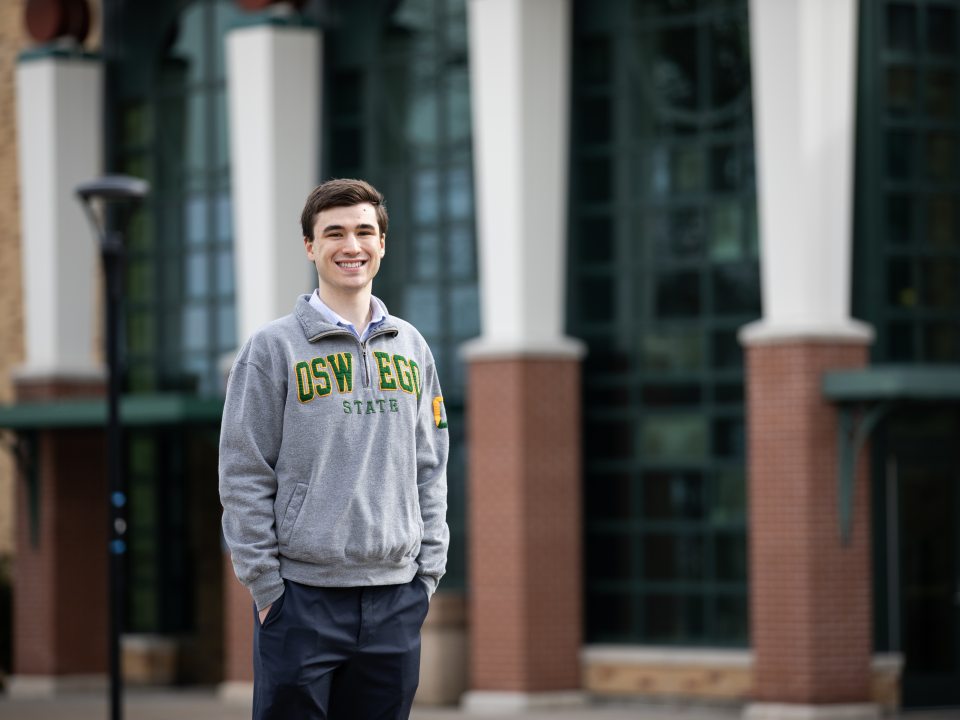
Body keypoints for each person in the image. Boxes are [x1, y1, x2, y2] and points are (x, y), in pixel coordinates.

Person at [219, 178, 449, 719]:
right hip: (301, 598)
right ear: (310, 246)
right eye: (335, 233)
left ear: (383, 243)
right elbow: (243, 471)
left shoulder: (412, 347)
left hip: (396, 596)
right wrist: (267, 587)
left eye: (365, 231)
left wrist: (427, 573)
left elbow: (430, 464)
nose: (352, 246)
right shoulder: (272, 349)